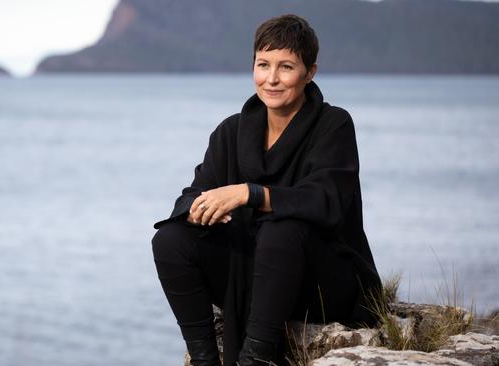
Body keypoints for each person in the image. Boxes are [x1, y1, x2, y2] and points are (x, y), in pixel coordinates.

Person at [151, 14, 382, 366]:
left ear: (310, 72)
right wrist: (200, 208)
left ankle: (255, 359)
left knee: (281, 226)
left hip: (320, 281)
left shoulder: (333, 125)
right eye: (263, 65)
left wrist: (250, 194)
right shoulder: (231, 131)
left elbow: (325, 202)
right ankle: (204, 359)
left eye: (286, 67)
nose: (271, 79)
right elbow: (192, 193)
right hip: (253, 274)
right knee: (169, 240)